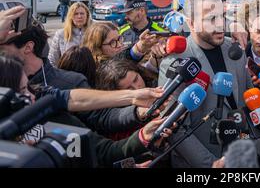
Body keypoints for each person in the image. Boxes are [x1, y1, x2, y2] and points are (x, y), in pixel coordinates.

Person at [0, 54, 175, 167]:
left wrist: (143, 136)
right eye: (21, 91)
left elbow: (102, 152)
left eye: (28, 87)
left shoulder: (52, 116)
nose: (31, 96)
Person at [0, 23, 162, 135]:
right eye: (112, 42)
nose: (119, 45)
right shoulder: (86, 75)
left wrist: (135, 98)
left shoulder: (61, 85)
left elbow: (70, 98)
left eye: (119, 39)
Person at [158, 0, 252, 168]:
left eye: (222, 17)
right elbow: (174, 127)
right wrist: (212, 164)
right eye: (211, 19)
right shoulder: (174, 63)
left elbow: (246, 103)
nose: (220, 25)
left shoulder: (235, 50)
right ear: (191, 24)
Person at [49, 2, 92, 67]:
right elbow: (52, 60)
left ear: (87, 16)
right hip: (66, 74)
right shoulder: (61, 34)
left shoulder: (94, 33)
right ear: (71, 17)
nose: (79, 16)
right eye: (76, 14)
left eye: (82, 13)